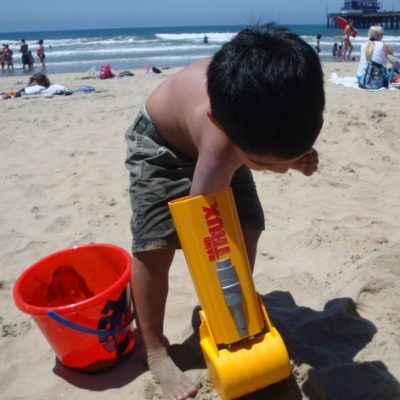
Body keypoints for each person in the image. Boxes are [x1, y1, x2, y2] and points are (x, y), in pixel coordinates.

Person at [125, 23, 325, 400]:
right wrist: (221, 289)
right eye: (266, 165)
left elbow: (269, 146)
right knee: (155, 244)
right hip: (162, 148)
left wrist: (291, 156)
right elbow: (203, 227)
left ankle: (235, 303)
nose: (282, 171)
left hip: (233, 141)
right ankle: (152, 348)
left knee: (249, 222)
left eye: (290, 157)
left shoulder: (277, 104)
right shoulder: (220, 147)